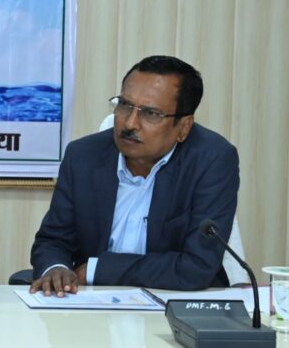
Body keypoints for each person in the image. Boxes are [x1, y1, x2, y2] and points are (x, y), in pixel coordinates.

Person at [29, 55, 238, 296]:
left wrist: (97, 270)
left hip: (175, 301)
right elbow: (53, 240)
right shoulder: (83, 156)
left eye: (151, 113)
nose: (130, 124)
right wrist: (56, 268)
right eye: (125, 106)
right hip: (91, 301)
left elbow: (196, 266)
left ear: (184, 127)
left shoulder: (212, 160)